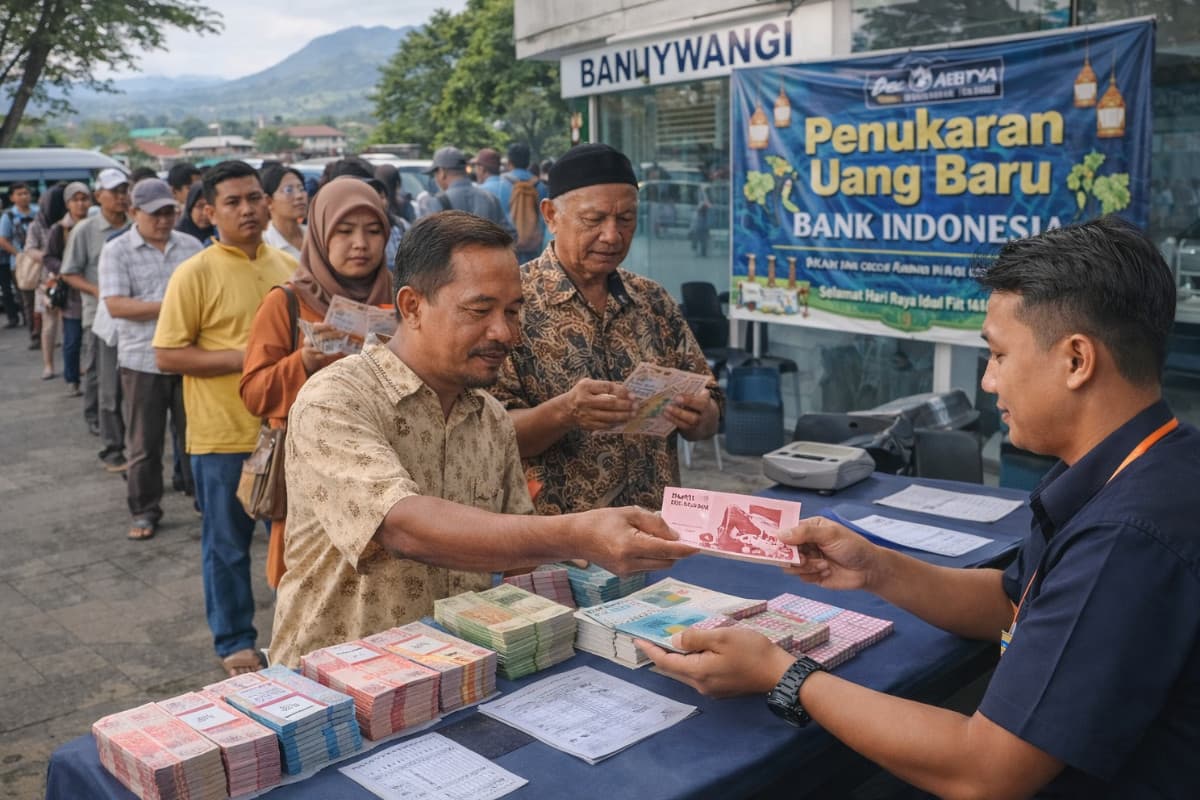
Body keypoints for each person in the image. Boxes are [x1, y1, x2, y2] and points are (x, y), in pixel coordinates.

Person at [641, 216, 1200, 799]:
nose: (987, 382)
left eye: (999, 355)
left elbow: (983, 771)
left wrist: (783, 675)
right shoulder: (1146, 460)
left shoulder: (1126, 537)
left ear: (1076, 360)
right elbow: (1018, 604)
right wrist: (877, 568)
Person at [268, 210, 696, 667]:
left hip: (455, 672)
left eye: (513, 311)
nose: (505, 332)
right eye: (479, 310)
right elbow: (402, 526)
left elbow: (517, 563)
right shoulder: (336, 398)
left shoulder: (490, 415)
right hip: (335, 686)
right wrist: (577, 534)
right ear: (412, 306)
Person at [492, 144, 722, 515]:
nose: (612, 236)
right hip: (559, 545)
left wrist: (701, 416)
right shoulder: (509, 305)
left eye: (626, 219)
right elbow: (491, 434)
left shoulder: (653, 300)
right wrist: (565, 413)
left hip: (655, 527)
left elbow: (710, 410)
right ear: (551, 215)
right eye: (594, 219)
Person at [153, 160, 296, 677]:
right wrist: (250, 357)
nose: (248, 210)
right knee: (228, 547)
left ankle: (295, 631)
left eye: (254, 198)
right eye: (233, 202)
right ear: (208, 211)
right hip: (222, 437)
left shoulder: (287, 266)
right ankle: (235, 640)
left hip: (284, 432)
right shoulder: (194, 272)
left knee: (292, 544)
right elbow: (168, 354)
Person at [240, 177, 393, 588]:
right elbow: (254, 393)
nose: (360, 243)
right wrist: (303, 363)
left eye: (373, 230)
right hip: (312, 486)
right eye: (344, 231)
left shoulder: (402, 298)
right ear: (321, 233)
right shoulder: (288, 302)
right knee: (312, 599)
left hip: (390, 477)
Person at [99, 179, 202, 541]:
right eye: (155, 214)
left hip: (189, 356)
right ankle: (144, 509)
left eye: (169, 212)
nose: (163, 220)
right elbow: (116, 305)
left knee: (196, 437)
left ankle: (202, 499)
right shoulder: (117, 250)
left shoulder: (190, 246)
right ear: (134, 213)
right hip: (142, 360)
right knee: (145, 443)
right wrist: (171, 307)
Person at [61, 168, 130, 458]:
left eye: (124, 191)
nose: (121, 198)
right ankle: (104, 431)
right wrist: (98, 291)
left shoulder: (136, 224)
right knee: (102, 379)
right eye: (114, 192)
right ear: (99, 195)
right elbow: (69, 272)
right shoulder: (86, 230)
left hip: (132, 317)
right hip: (99, 316)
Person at [46, 183, 93, 395]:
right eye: (76, 199)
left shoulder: (96, 225)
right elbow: (49, 257)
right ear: (68, 204)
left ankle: (95, 378)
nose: (81, 204)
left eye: (84, 199)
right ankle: (72, 379)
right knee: (72, 340)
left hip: (94, 288)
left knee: (95, 340)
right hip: (72, 292)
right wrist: (66, 270)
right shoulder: (60, 229)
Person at [415, 147, 513, 236]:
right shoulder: (490, 198)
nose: (435, 178)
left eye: (435, 174)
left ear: (442, 172)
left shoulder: (436, 202)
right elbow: (511, 235)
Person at [25, 185, 66, 380]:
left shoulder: (72, 222)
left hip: (70, 277)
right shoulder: (37, 224)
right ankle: (48, 365)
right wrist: (51, 259)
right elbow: (30, 249)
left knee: (70, 326)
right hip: (47, 280)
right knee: (49, 325)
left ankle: (70, 364)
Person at [493, 142, 549, 264]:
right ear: (528, 162)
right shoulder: (541, 186)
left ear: (509, 162)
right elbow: (545, 222)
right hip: (535, 251)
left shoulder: (501, 185)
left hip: (510, 250)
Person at [0, 182, 40, 341]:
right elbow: (3, 240)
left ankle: (43, 330)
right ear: (12, 198)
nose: (24, 196)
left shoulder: (38, 212)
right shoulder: (8, 216)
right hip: (20, 265)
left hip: (39, 262)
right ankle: (34, 333)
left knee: (42, 298)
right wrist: (19, 255)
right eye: (19, 194)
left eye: (26, 193)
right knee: (27, 299)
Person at [260, 164, 308, 259]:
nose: (299, 196)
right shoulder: (263, 244)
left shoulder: (315, 235)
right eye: (289, 190)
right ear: (268, 201)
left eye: (301, 189)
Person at [175, 182, 215, 246]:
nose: (205, 213)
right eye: (200, 206)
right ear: (190, 208)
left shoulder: (223, 236)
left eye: (210, 206)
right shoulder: (177, 238)